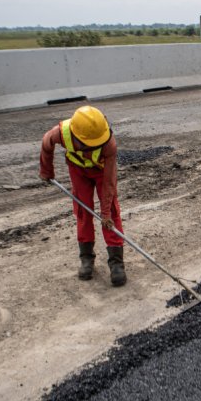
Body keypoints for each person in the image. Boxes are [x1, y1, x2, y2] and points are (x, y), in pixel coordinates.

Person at [39, 105, 127, 286]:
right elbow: (46, 143)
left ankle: (116, 263)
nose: (94, 146)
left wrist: (105, 214)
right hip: (78, 171)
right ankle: (86, 259)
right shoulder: (61, 133)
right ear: (76, 136)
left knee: (111, 212)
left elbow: (109, 182)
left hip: (102, 172)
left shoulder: (108, 143)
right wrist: (47, 170)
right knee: (83, 211)